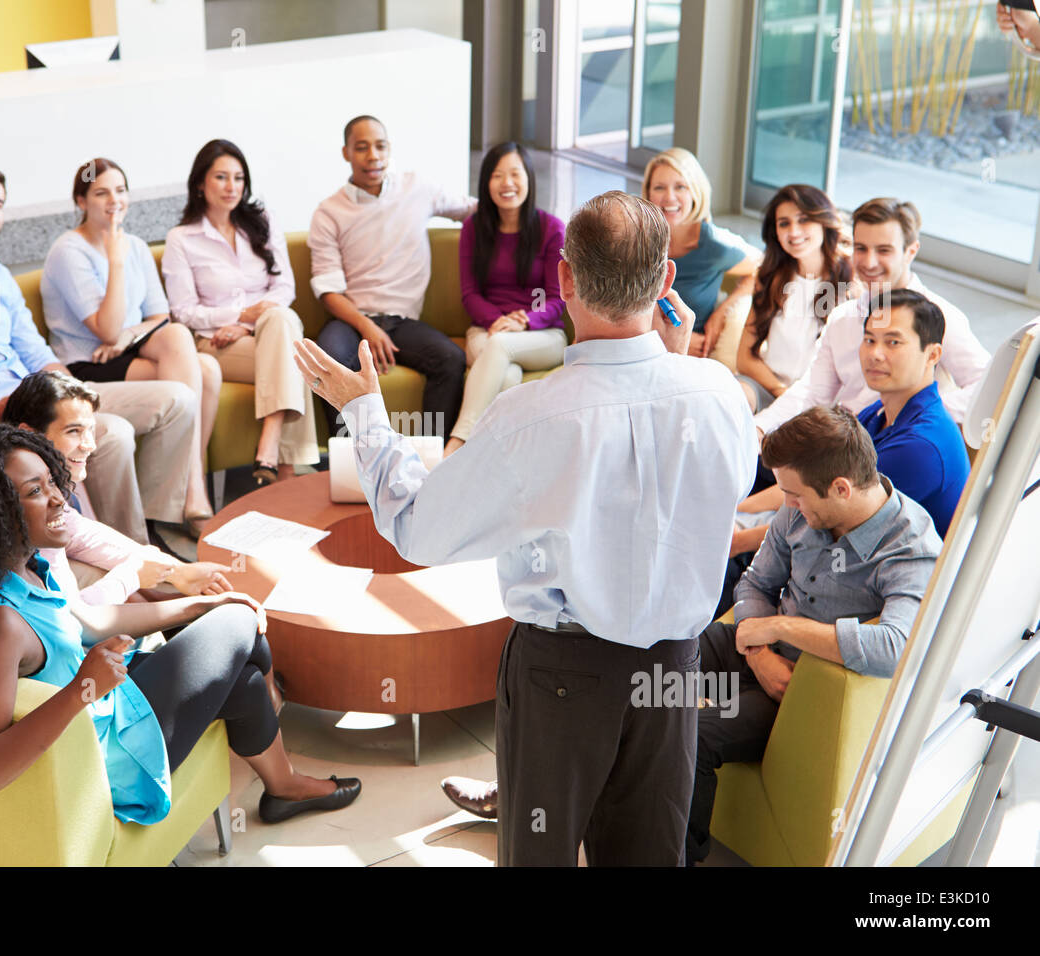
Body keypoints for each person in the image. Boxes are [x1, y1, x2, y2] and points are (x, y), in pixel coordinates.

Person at [296, 192, 759, 866]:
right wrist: (678, 365)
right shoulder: (719, 392)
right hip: (672, 671)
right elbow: (717, 491)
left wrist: (365, 412)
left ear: (565, 279)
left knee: (537, 853)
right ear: (665, 282)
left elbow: (419, 532)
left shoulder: (530, 416)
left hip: (563, 677)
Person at [0, 425, 359, 825]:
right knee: (241, 623)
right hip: (111, 757)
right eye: (34, 491)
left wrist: (196, 607)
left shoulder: (16, 574)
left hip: (111, 708)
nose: (58, 498)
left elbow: (89, 621)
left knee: (240, 667)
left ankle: (284, 787)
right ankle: (275, 702)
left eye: (52, 482)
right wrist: (80, 690)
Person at [686, 405, 941, 863]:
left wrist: (783, 626)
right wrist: (761, 650)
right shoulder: (800, 511)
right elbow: (755, 583)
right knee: (652, 669)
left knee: (690, 735)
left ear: (841, 488)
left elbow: (896, 649)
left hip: (804, 692)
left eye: (795, 495)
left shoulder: (910, 546)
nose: (787, 505)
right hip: (758, 655)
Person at [0, 164, 198, 545]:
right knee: (114, 433)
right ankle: (135, 551)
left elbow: (33, 348)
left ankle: (159, 523)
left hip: (43, 393)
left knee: (178, 398)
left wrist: (72, 392)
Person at [0, 370, 234, 642]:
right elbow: (73, 624)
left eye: (91, 431)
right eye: (75, 432)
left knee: (122, 577)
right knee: (128, 591)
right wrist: (139, 580)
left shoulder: (5, 486)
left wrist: (176, 572)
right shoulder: (11, 512)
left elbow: (94, 540)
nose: (90, 446)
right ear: (28, 433)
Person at [733, 198, 990, 558]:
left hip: (875, 469)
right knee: (738, 478)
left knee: (749, 540)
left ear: (910, 250)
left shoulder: (939, 316)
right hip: (838, 448)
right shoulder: (843, 318)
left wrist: (914, 409)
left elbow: (990, 384)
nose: (869, 262)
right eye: (861, 248)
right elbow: (811, 392)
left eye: (883, 250)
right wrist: (758, 431)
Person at [41, 157, 219, 535]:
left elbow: (159, 318)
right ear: (81, 201)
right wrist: (115, 261)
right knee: (201, 368)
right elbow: (105, 330)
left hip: (127, 351)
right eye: (101, 193)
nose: (113, 201)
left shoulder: (135, 244)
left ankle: (191, 487)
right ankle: (190, 494)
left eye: (120, 191)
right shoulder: (68, 251)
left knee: (196, 357)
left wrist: (126, 335)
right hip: (86, 364)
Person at [309, 115, 476, 438]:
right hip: (353, 321)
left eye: (380, 146)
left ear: (389, 150)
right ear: (346, 153)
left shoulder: (417, 189)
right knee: (329, 359)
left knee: (450, 359)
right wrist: (366, 326)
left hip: (403, 322)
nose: (373, 156)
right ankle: (350, 460)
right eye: (362, 148)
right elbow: (328, 291)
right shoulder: (329, 212)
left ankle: (431, 455)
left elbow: (471, 210)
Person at [163, 139, 319, 485]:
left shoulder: (262, 221)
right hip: (215, 344)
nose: (231, 186)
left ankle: (270, 448)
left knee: (282, 321)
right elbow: (184, 312)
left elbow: (284, 289)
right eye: (221, 177)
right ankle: (288, 475)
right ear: (200, 184)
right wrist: (241, 316)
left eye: (238, 177)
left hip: (262, 334)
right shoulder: (181, 239)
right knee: (296, 356)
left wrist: (247, 326)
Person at [443, 142, 566, 458]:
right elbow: (470, 294)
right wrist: (497, 321)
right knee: (507, 373)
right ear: (486, 183)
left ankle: (457, 444)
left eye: (515, 174)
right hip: (487, 330)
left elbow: (557, 298)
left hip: (543, 335)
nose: (507, 183)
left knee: (499, 348)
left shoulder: (552, 229)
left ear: (529, 179)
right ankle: (501, 463)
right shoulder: (474, 229)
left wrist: (524, 319)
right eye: (498, 176)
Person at [857, 290, 971, 538]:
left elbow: (831, 523)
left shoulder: (920, 446)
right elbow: (815, 478)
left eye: (893, 342)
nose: (875, 354)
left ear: (932, 355)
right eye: (869, 340)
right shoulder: (877, 413)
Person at [735, 184, 853, 412]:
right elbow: (744, 357)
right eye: (784, 223)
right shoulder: (769, 278)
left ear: (824, 222)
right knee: (735, 397)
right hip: (769, 389)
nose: (794, 232)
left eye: (804, 220)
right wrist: (781, 392)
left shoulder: (851, 284)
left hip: (819, 404)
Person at [642, 147, 760, 358]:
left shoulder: (714, 245)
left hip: (686, 358)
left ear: (695, 191)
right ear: (648, 193)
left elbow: (762, 267)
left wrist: (723, 311)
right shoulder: (637, 238)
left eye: (680, 187)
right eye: (659, 187)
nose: (669, 197)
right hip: (638, 345)